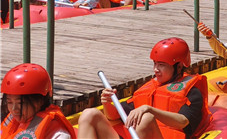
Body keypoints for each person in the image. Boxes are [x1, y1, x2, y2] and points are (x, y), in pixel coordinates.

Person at [77, 37, 211, 138]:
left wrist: (150, 110)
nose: (155, 69)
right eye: (155, 64)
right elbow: (114, 117)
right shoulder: (149, 88)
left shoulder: (193, 91)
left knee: (146, 118)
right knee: (89, 114)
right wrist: (106, 102)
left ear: (179, 66)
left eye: (162, 65)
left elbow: (183, 121)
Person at [1, 63, 76, 139]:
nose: (14, 109)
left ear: (40, 101)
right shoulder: (12, 121)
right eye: (9, 102)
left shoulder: (58, 135)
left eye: (21, 103)